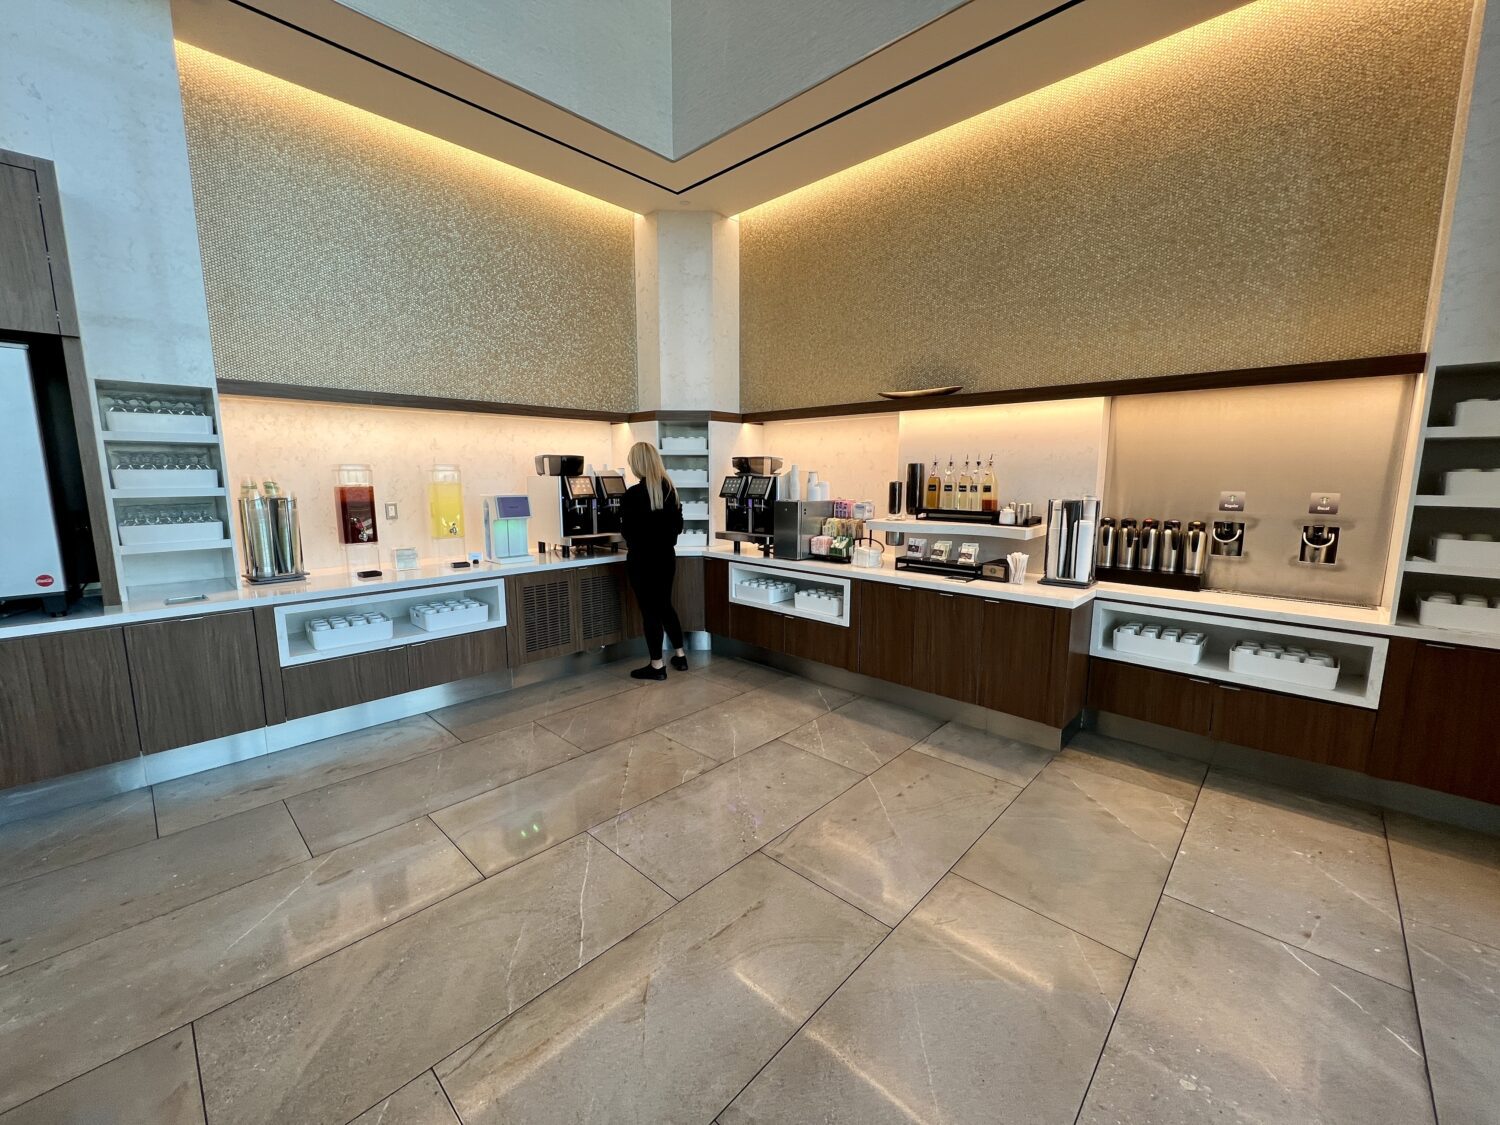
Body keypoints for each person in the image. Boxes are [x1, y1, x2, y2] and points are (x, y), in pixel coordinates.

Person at [621, 441, 688, 680]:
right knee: (665, 605)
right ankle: (680, 655)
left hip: (642, 561)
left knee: (650, 611)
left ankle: (657, 666)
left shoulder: (632, 495)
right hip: (666, 558)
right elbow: (678, 528)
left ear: (637, 464)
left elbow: (627, 533)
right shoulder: (671, 490)